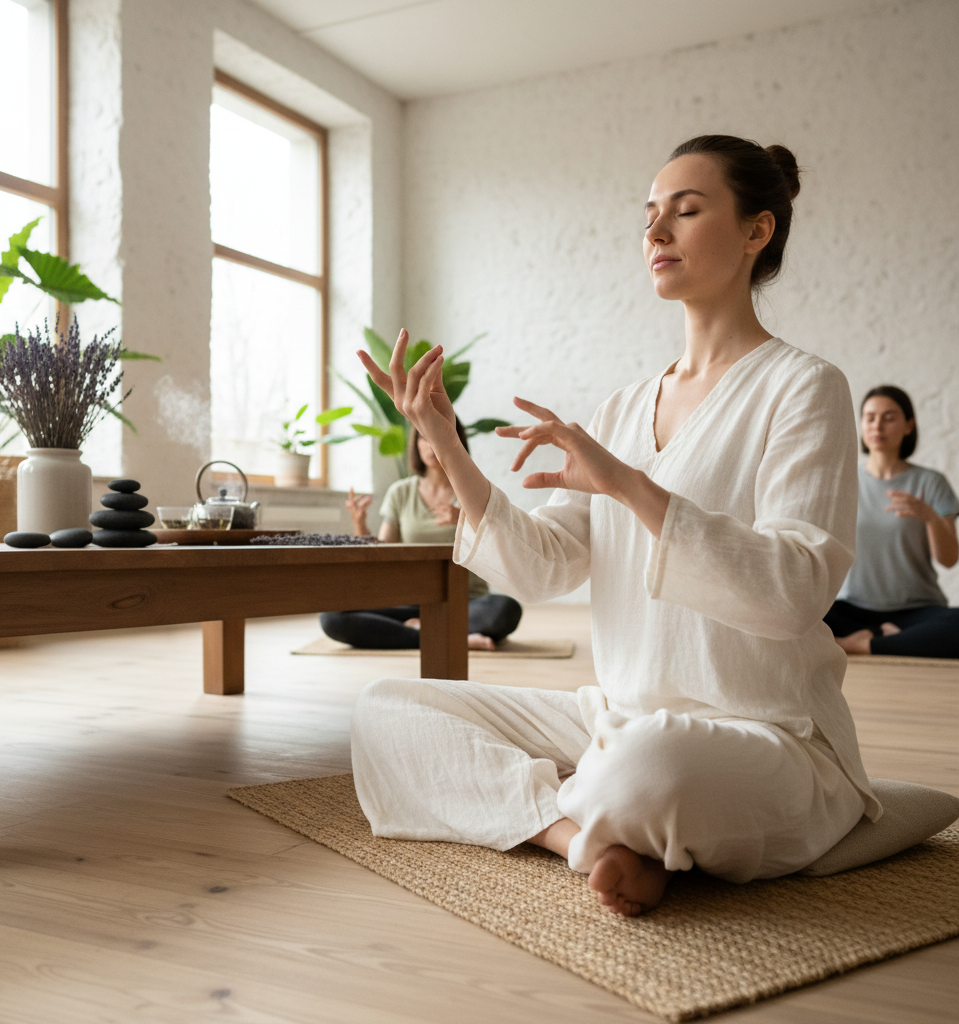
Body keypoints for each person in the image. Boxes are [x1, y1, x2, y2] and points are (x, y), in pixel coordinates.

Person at [350, 135, 881, 919]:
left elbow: (794, 592)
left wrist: (631, 486)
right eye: (649, 216)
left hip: (762, 732)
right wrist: (449, 448)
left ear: (756, 231)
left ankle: (606, 805)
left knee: (648, 764)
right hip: (615, 717)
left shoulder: (805, 387)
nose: (656, 232)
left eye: (686, 210)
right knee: (383, 708)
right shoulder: (622, 408)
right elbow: (542, 569)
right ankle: (581, 838)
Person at [320, 417, 523, 651]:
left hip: (466, 602)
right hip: (408, 601)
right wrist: (359, 525)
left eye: (437, 437)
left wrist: (465, 520)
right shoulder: (401, 492)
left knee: (505, 610)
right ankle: (452, 637)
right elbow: (384, 555)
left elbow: (499, 549)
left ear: (455, 442)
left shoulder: (475, 490)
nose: (430, 445)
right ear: (416, 444)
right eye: (424, 438)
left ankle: (420, 631)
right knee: (333, 617)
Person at [824, 386, 959, 657]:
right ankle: (894, 642)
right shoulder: (840, 481)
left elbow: (948, 559)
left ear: (909, 425)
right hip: (850, 609)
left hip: (917, 610)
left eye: (889, 417)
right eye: (870, 417)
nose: (878, 426)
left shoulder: (931, 483)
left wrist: (930, 517)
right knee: (793, 620)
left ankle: (859, 644)